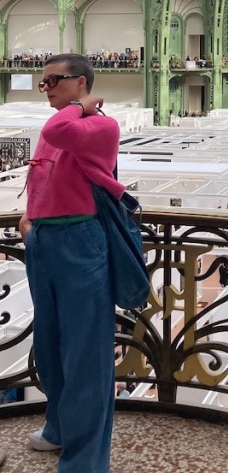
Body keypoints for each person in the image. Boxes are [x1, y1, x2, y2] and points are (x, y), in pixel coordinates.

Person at [18, 53, 126, 473]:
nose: (45, 88)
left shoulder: (100, 124)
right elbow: (47, 175)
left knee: (86, 352)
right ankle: (59, 428)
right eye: (42, 82)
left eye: (52, 81)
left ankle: (86, 460)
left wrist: (80, 108)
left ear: (80, 82)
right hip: (45, 240)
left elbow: (59, 129)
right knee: (50, 345)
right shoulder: (58, 127)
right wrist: (32, 217)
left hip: (80, 242)